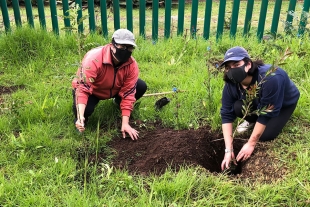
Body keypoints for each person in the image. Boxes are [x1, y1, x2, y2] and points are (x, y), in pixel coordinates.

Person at [219, 46, 300, 171]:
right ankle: (252, 121)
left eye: (236, 64)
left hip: (284, 103)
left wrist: (251, 143)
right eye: (228, 68)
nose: (232, 70)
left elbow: (266, 112)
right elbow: (226, 114)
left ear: (248, 64)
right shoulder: (231, 85)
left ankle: (276, 120)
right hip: (258, 102)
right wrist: (228, 150)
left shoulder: (270, 77)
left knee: (266, 135)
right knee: (237, 107)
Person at [72, 29, 147, 140]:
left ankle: (117, 102)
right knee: (86, 109)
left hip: (115, 89)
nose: (126, 51)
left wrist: (125, 123)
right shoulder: (94, 59)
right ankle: (81, 121)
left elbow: (129, 93)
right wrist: (80, 116)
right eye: (122, 47)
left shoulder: (131, 65)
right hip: (94, 91)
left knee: (140, 86)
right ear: (112, 45)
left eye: (130, 48)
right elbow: (83, 88)